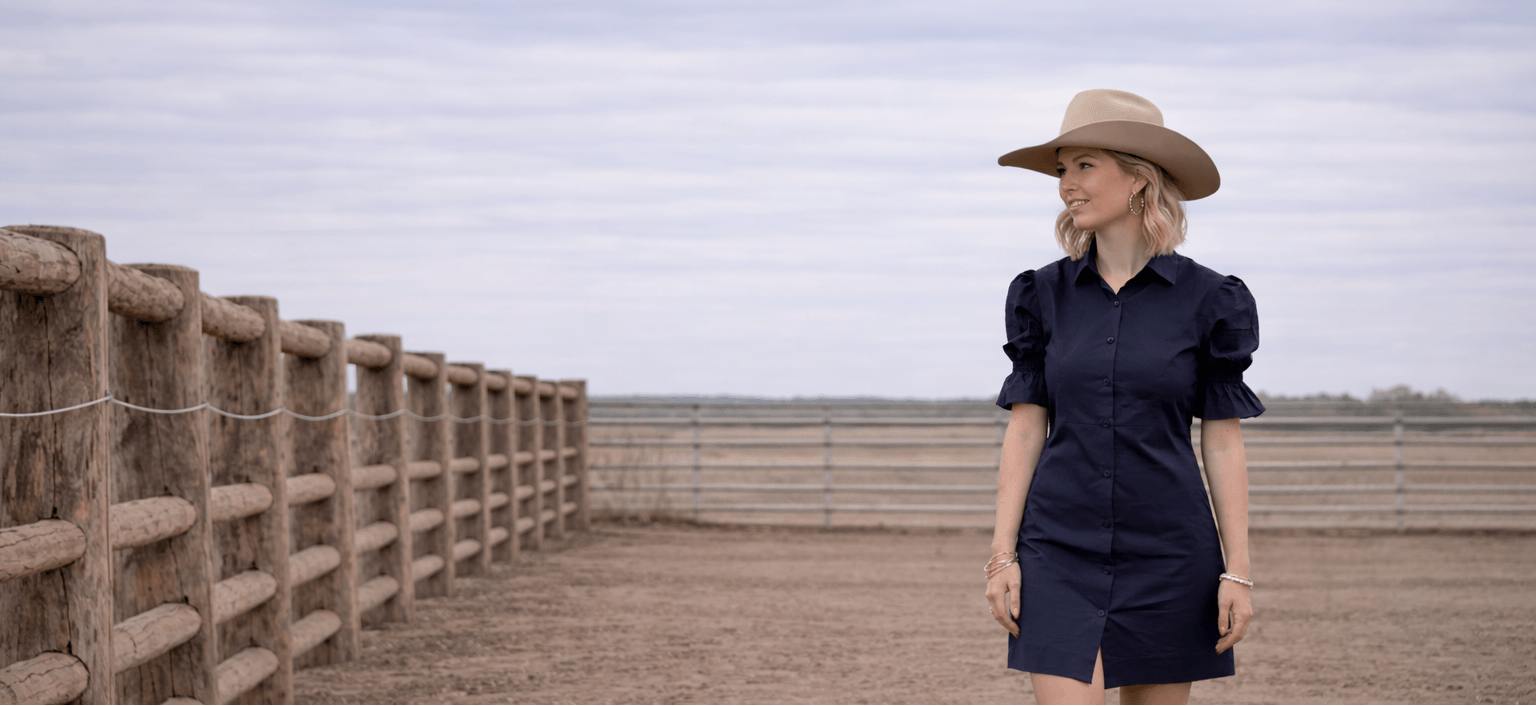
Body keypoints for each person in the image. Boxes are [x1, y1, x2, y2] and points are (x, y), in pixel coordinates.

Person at [983, 89, 1261, 705]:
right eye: (1063, 169)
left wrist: (1235, 571)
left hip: (1170, 554)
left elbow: (1221, 438)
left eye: (1084, 166)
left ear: (1138, 179)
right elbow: (1027, 428)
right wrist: (1002, 556)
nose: (1066, 185)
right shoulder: (1040, 296)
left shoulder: (1211, 300)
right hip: (1057, 550)